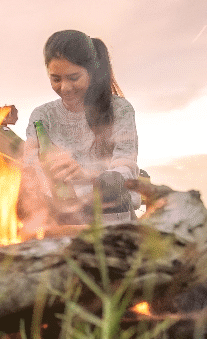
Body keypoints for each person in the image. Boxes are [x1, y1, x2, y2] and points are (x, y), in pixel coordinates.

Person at [24, 29, 139, 222]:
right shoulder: (42, 116)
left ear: (92, 72)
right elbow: (28, 166)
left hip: (113, 217)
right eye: (56, 79)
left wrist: (85, 174)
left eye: (73, 77)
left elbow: (125, 170)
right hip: (62, 217)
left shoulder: (120, 109)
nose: (65, 88)